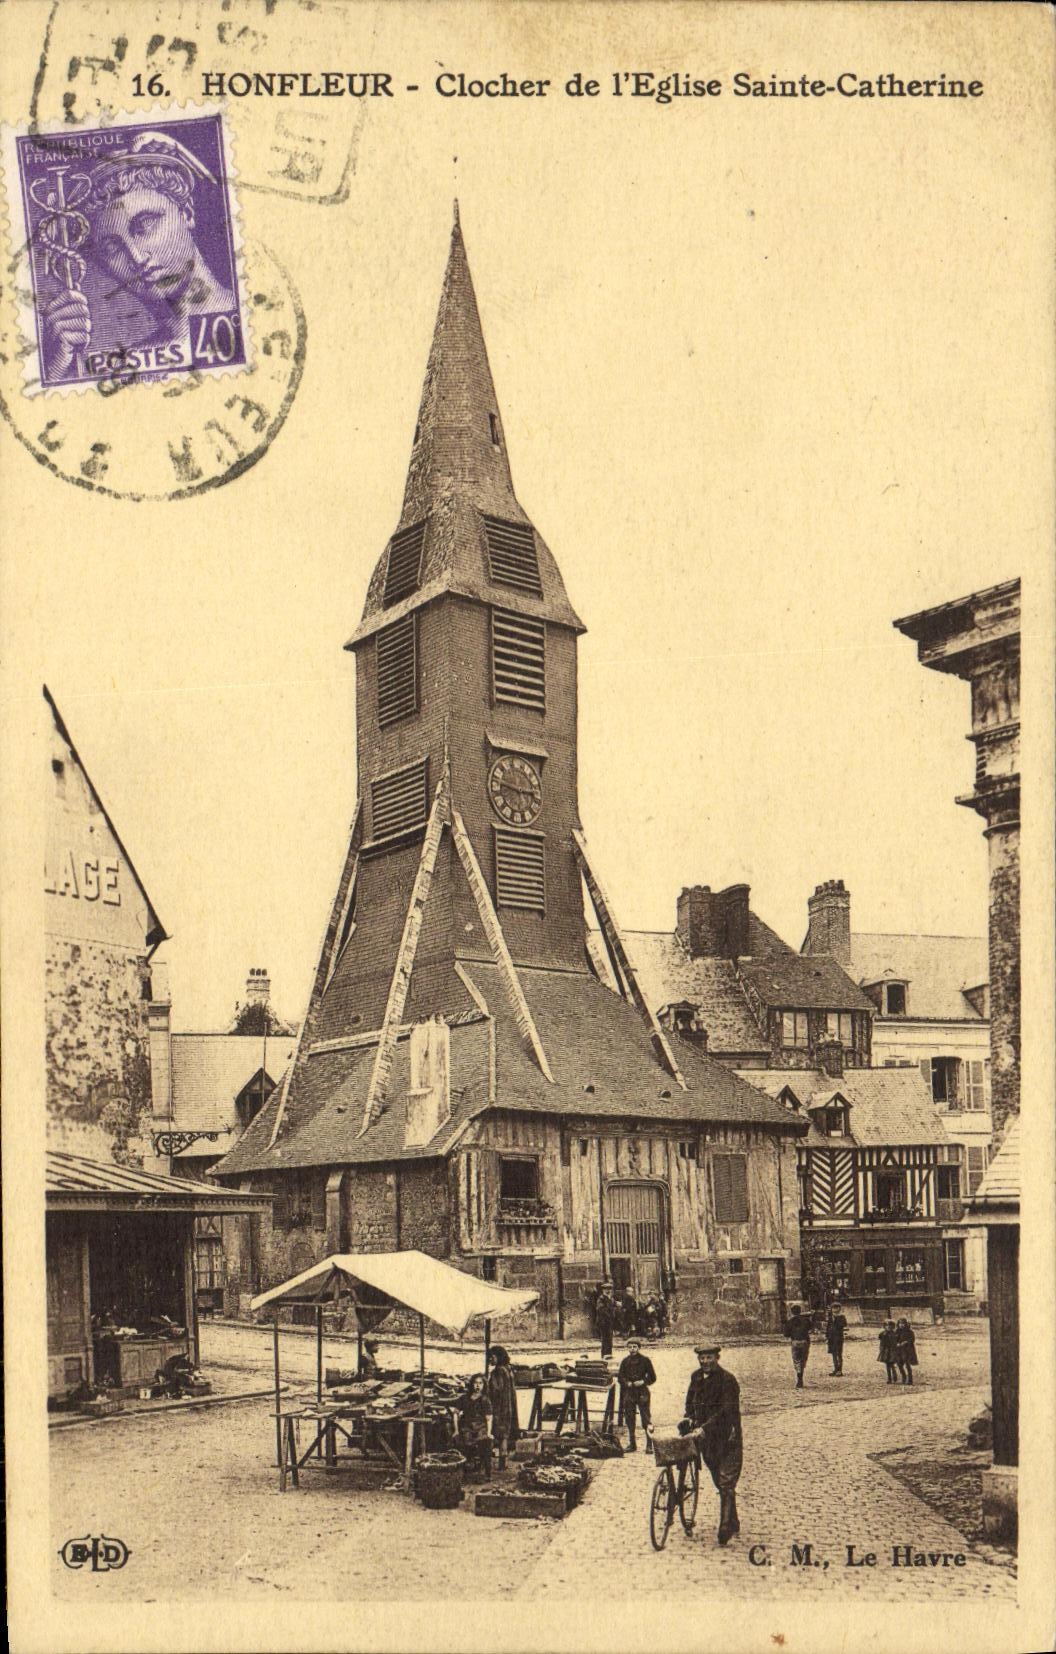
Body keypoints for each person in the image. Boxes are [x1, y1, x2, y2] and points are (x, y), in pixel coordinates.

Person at [41, 130, 236, 379]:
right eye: (111, 248)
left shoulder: (252, 315)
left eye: (144, 225)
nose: (135, 256)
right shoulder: (123, 373)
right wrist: (57, 367)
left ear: (186, 212)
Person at [684, 1344, 743, 1545]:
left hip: (727, 1437)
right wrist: (690, 1417)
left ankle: (725, 1527)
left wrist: (705, 1428)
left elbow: (726, 1411)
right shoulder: (696, 1377)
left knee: (726, 1482)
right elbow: (690, 1402)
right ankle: (733, 1520)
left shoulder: (727, 1380)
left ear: (717, 1358)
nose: (705, 1362)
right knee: (719, 1480)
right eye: (702, 1358)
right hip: (707, 1441)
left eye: (709, 1358)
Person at [616, 1338, 657, 1453]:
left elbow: (653, 1377)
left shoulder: (645, 1360)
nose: (632, 1349)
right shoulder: (625, 1361)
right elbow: (620, 1377)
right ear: (627, 1348)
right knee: (629, 1418)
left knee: (646, 1419)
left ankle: (649, 1445)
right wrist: (626, 1382)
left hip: (642, 1392)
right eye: (630, 1347)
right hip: (629, 1393)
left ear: (639, 1348)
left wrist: (643, 1381)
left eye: (635, 1347)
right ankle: (632, 1444)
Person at [485, 1345, 520, 1470]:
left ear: (498, 1357)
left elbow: (496, 1390)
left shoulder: (498, 1371)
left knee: (500, 1435)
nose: (490, 1360)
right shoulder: (508, 1369)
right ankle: (503, 1463)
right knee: (504, 1435)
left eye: (492, 1357)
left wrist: (486, 1386)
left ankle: (497, 1463)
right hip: (508, 1406)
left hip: (500, 1408)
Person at [458, 1374, 493, 1478]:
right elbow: (456, 1413)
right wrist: (456, 1430)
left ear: (484, 1385)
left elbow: (489, 1418)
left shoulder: (485, 1400)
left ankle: (485, 1472)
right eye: (475, 1383)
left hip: (481, 1427)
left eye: (480, 1383)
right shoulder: (465, 1398)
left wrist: (489, 1433)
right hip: (467, 1427)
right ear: (472, 1384)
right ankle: (466, 1468)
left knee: (484, 1441)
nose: (478, 1385)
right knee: (464, 1441)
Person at [784, 1302, 813, 1388]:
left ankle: (799, 1376)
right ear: (800, 1311)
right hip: (805, 1341)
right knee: (803, 1359)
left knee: (796, 1360)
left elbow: (786, 1334)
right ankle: (801, 1376)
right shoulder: (806, 1320)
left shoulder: (789, 1322)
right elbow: (810, 1328)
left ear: (792, 1312)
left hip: (795, 1342)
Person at [825, 1299, 849, 1376]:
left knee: (839, 1354)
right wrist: (827, 1336)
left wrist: (836, 1319)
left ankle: (839, 1370)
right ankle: (835, 1369)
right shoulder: (830, 1318)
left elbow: (843, 1325)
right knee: (833, 1354)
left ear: (839, 1309)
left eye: (836, 1308)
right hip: (831, 1338)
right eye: (833, 1308)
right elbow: (828, 1328)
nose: (835, 1309)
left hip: (838, 1338)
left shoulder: (842, 1317)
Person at [594, 1279, 615, 1359]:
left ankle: (609, 1354)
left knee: (609, 1339)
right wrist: (609, 1314)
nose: (608, 1290)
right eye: (606, 1289)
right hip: (603, 1322)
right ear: (603, 1290)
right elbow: (601, 1310)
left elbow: (612, 1308)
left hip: (609, 1322)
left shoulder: (610, 1299)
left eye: (609, 1289)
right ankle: (604, 1355)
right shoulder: (601, 1299)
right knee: (605, 1339)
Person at [894, 1317, 918, 1386]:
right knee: (899, 1364)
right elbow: (894, 1339)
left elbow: (912, 1340)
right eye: (900, 1323)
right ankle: (904, 1376)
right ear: (898, 1324)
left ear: (906, 1324)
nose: (901, 1325)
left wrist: (906, 1342)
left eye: (903, 1323)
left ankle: (910, 1380)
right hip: (899, 1350)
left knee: (907, 1365)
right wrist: (896, 1343)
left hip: (907, 1351)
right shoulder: (897, 1331)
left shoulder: (910, 1332)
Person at [877, 1317, 899, 1383]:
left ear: (893, 1326)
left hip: (892, 1350)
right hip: (886, 1350)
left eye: (890, 1325)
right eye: (886, 1325)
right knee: (887, 1364)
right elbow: (881, 1341)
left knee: (891, 1363)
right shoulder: (882, 1333)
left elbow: (896, 1342)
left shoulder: (894, 1334)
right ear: (884, 1326)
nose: (888, 1327)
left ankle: (894, 1374)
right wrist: (881, 1350)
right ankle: (889, 1378)